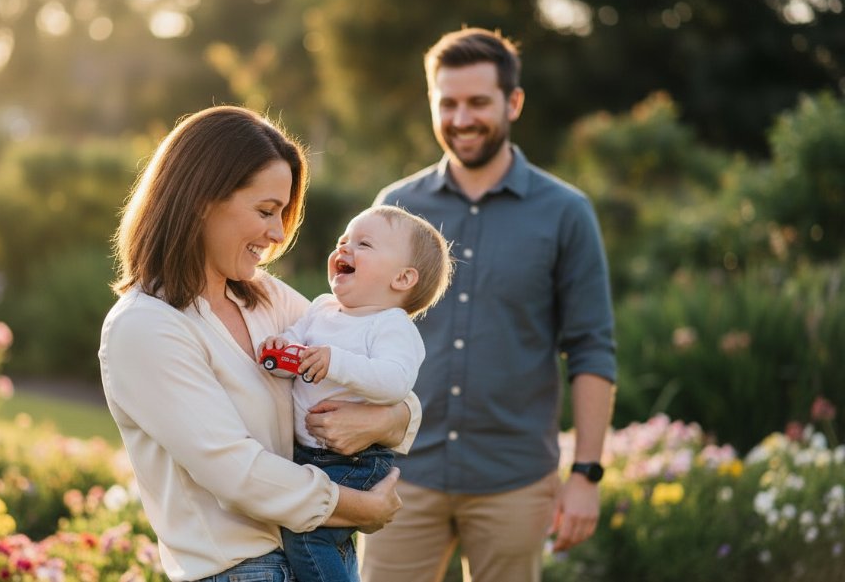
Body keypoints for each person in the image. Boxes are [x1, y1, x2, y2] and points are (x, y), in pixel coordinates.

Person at [99, 106, 424, 582]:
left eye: (283, 213)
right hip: (240, 571)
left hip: (314, 556)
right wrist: (358, 507)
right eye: (266, 211)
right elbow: (236, 472)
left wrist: (392, 417)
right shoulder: (145, 327)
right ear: (201, 199)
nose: (278, 234)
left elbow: (382, 371)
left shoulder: (264, 296)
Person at [360, 28, 617, 582]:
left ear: (513, 102)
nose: (461, 118)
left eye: (478, 102)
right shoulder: (394, 208)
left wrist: (587, 475)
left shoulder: (565, 212)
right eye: (447, 103)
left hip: (514, 481)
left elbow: (592, 348)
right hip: (401, 474)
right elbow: (359, 327)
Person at [259, 205, 453, 582]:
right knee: (322, 535)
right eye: (343, 241)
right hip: (308, 454)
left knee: (309, 536)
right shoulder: (321, 309)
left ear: (402, 278)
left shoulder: (391, 327)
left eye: (363, 244)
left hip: (355, 461)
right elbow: (297, 347)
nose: (344, 249)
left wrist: (335, 363)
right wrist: (280, 350)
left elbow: (395, 381)